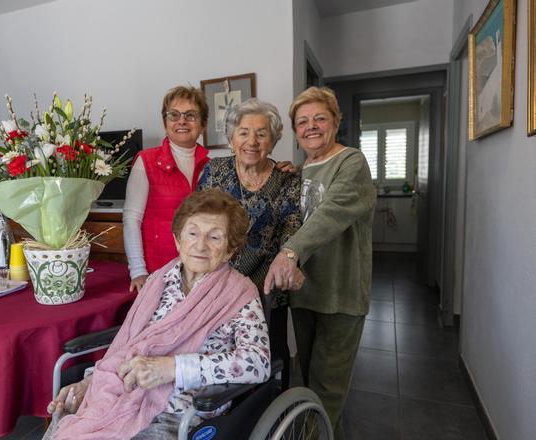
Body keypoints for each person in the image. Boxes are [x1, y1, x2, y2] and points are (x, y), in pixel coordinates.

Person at [45, 189, 271, 439]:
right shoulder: (158, 281)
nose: (200, 245)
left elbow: (257, 363)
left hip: (181, 412)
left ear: (230, 250)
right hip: (122, 393)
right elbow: (127, 343)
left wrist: (174, 368)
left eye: (215, 237)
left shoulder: (240, 293)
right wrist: (89, 384)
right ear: (177, 240)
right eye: (192, 233)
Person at [264, 87, 376, 440]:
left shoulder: (351, 162)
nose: (311, 127)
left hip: (340, 295)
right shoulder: (303, 169)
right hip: (306, 291)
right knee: (312, 385)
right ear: (296, 131)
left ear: (336, 122)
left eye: (319, 119)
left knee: (327, 390)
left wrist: (289, 252)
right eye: (303, 122)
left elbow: (329, 213)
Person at [197, 98, 301, 389]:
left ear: (273, 139)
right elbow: (196, 220)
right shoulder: (214, 172)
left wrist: (289, 259)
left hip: (265, 292)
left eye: (261, 133)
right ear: (231, 138)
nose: (252, 141)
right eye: (243, 132)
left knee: (268, 363)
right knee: (217, 362)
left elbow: (293, 229)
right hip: (215, 288)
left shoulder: (287, 180)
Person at [123, 86, 210, 293]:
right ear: (165, 123)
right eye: (174, 115)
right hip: (157, 272)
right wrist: (137, 270)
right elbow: (131, 219)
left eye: (190, 115)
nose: (182, 121)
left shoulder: (211, 166)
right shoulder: (146, 161)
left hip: (199, 270)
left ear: (203, 124)